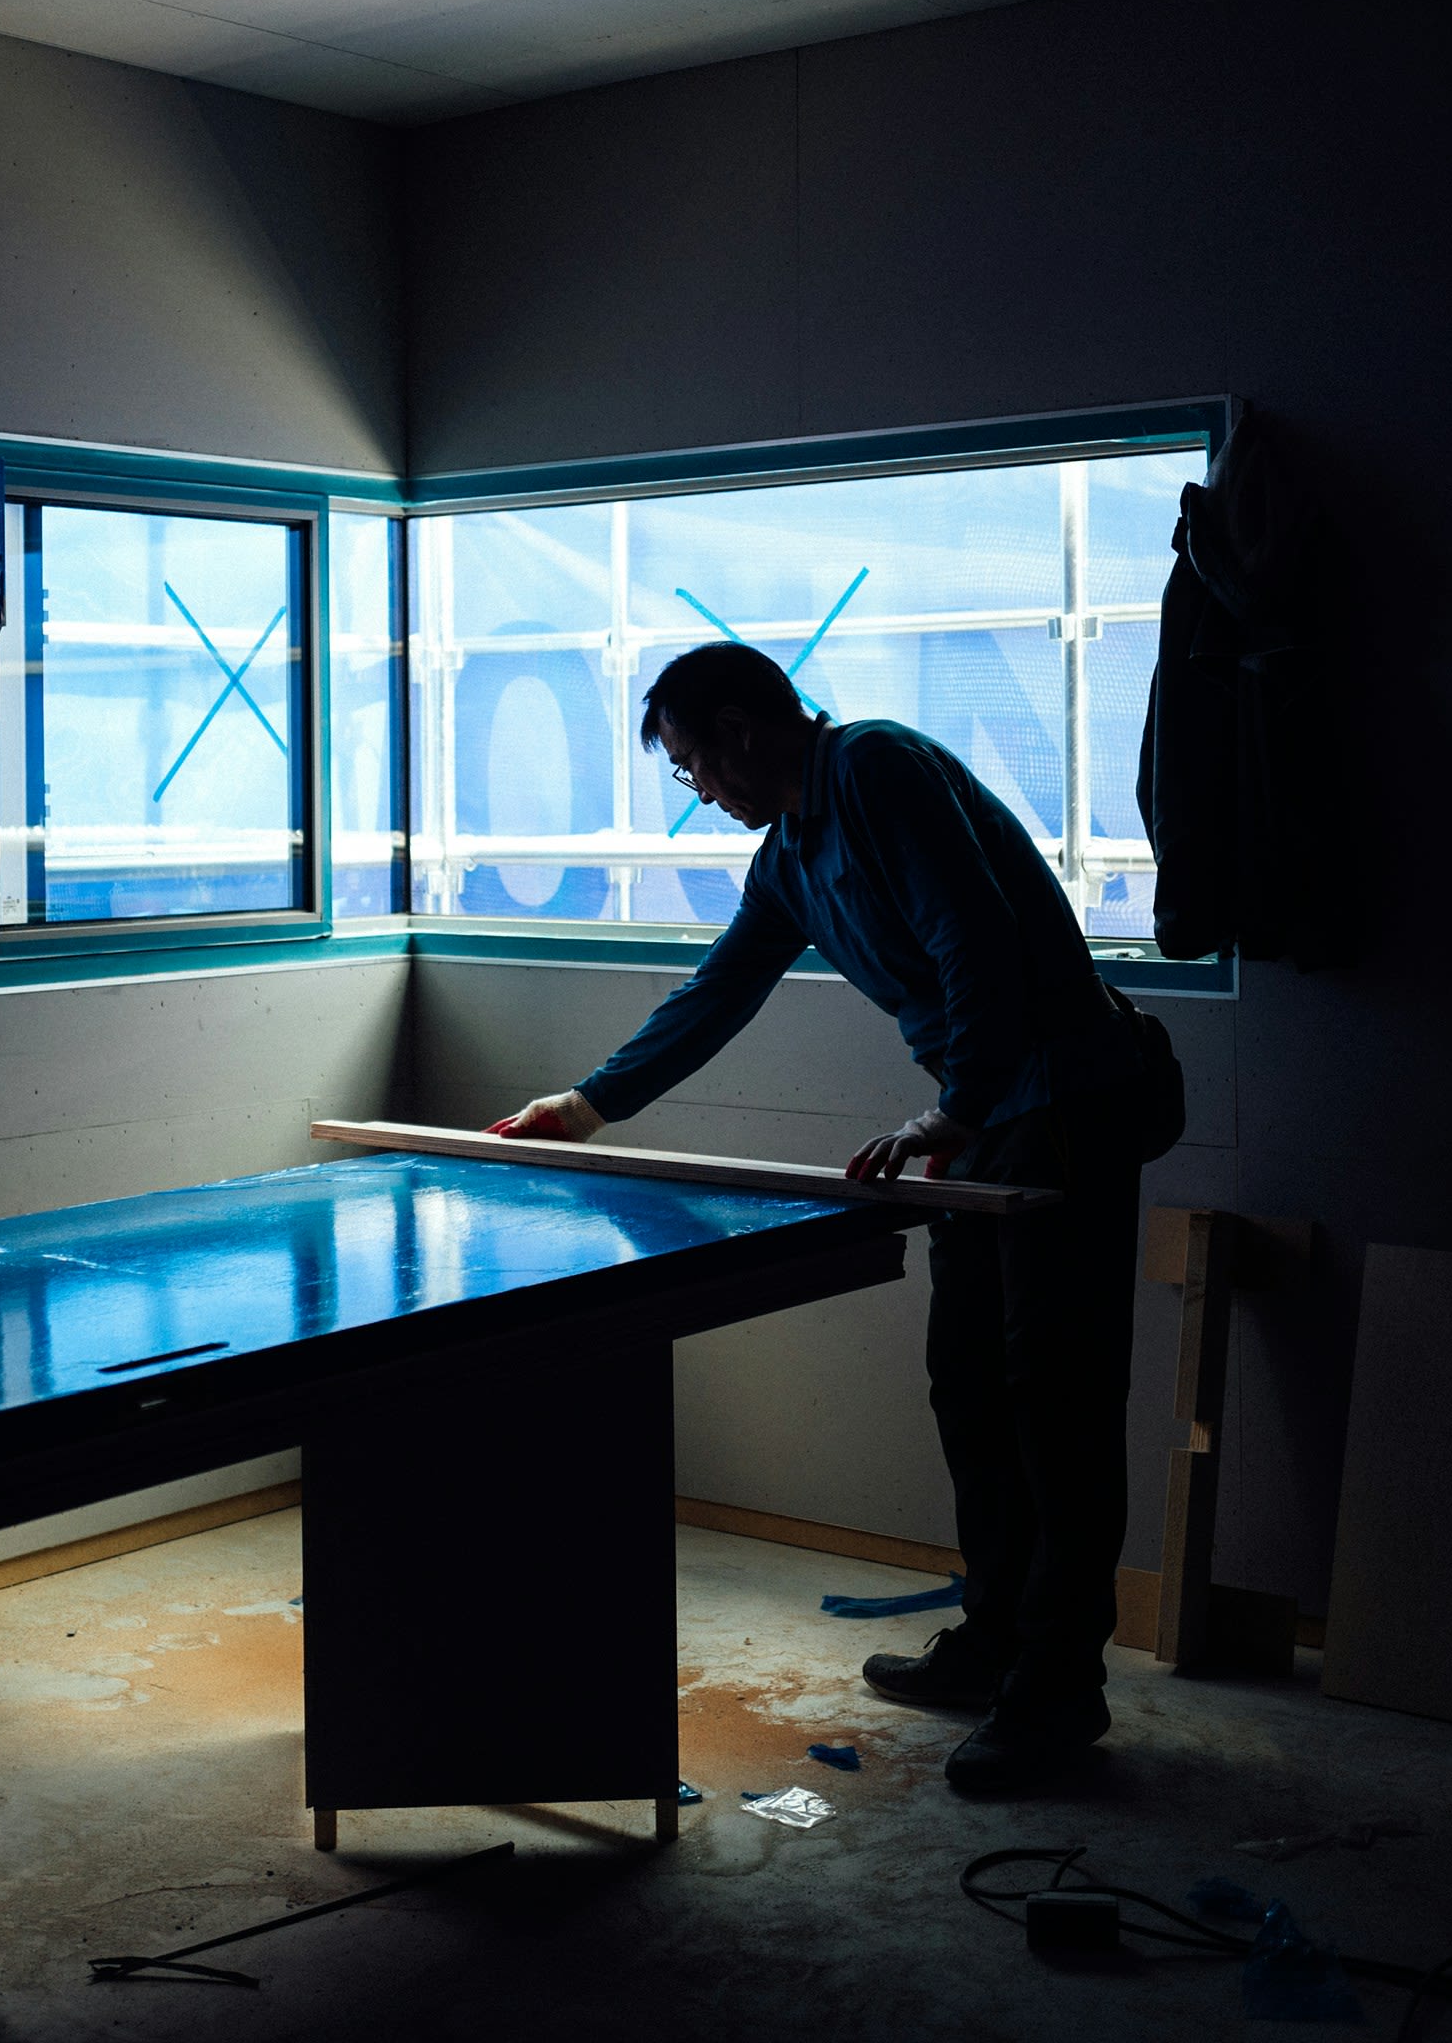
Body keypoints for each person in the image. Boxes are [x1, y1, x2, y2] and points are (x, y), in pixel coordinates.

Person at [488, 641, 1180, 1795]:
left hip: (1062, 1103)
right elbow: (720, 988)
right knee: (969, 1382)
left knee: (1056, 1399)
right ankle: (998, 1639)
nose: (701, 792)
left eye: (695, 763)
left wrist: (951, 1108)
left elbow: (980, 942)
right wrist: (589, 1103)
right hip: (981, 1120)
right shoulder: (789, 859)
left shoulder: (875, 770)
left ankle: (1060, 1690)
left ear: (744, 726)